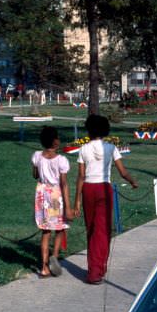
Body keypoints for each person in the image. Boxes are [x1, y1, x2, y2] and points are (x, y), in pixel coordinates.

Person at [73, 114, 138, 285]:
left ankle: (95, 267)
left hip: (88, 189)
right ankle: (96, 270)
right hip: (104, 189)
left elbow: (80, 176)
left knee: (91, 228)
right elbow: (123, 172)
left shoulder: (83, 149)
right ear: (105, 129)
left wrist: (77, 201)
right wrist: (132, 181)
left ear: (89, 129)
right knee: (102, 230)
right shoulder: (111, 148)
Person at [32, 126, 72, 278]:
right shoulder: (61, 160)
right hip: (55, 195)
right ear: (55, 141)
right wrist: (68, 206)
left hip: (42, 194)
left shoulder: (36, 156)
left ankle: (44, 267)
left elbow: (35, 175)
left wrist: (39, 169)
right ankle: (54, 256)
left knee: (45, 230)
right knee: (60, 227)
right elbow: (64, 184)